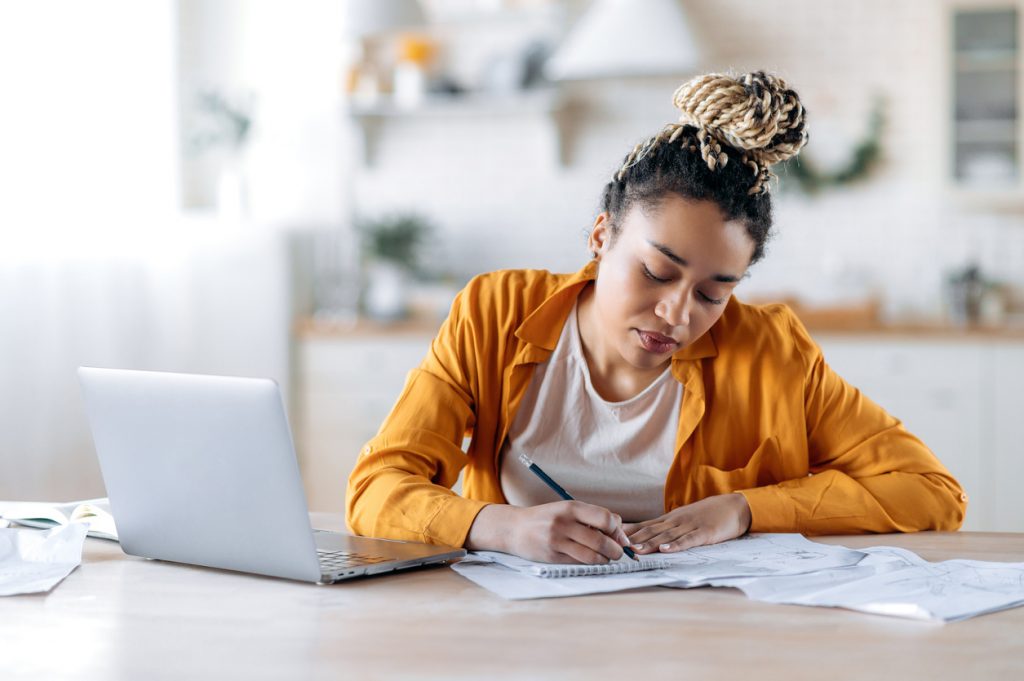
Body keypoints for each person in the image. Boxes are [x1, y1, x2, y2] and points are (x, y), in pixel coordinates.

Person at [346, 71, 966, 566]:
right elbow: (377, 487)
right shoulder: (494, 313)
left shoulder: (772, 351)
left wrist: (744, 509)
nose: (676, 313)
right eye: (657, 272)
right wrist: (500, 526)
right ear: (601, 236)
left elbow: (931, 491)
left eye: (713, 293)